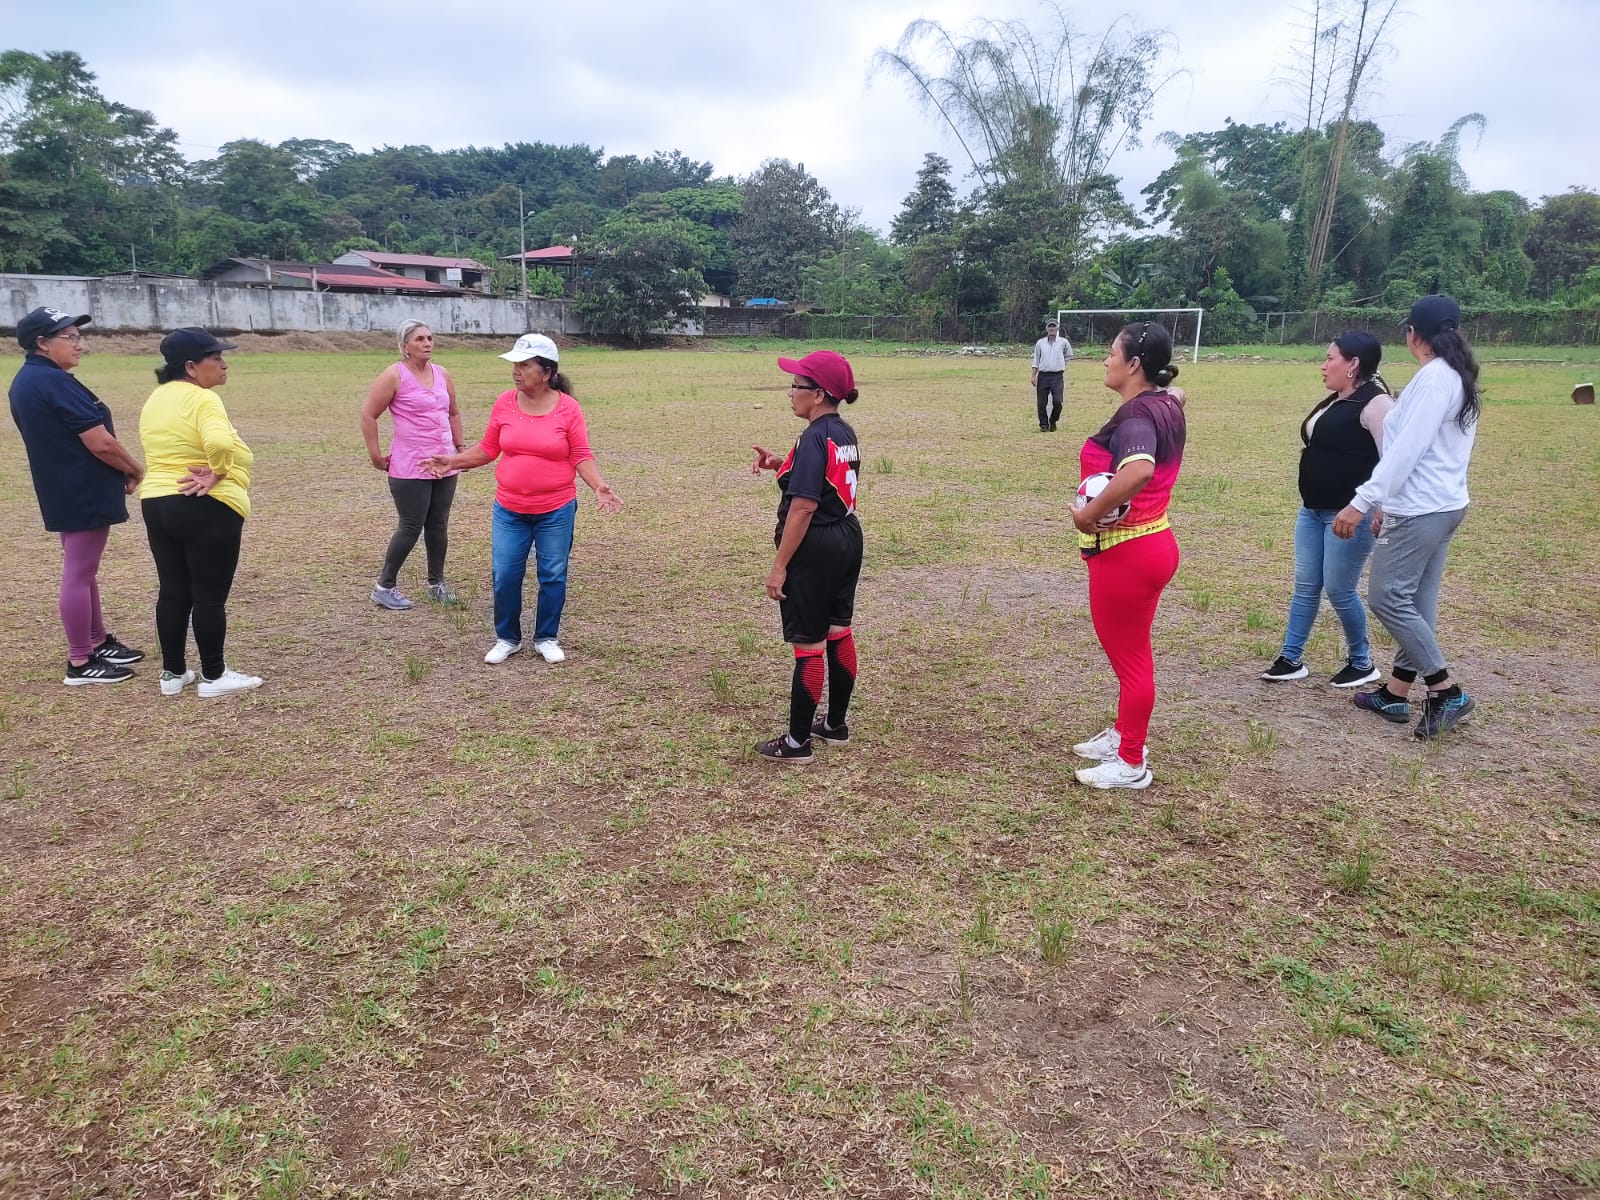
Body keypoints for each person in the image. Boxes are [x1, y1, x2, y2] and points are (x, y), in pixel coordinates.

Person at [421, 334, 621, 665]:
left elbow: (581, 454)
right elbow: (488, 449)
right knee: (505, 575)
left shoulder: (568, 408)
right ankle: (507, 638)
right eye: (515, 364)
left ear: (547, 372)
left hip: (555, 509)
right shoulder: (505, 402)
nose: (516, 371)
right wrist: (452, 461)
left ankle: (546, 637)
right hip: (509, 510)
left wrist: (598, 485)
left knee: (553, 574)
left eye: (525, 365)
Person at [1334, 295, 1480, 738]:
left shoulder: (1435, 379)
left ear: (1414, 333)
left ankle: (1445, 690)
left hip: (1423, 509)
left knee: (1387, 597)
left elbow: (1406, 450)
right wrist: (1388, 502)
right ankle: (1396, 692)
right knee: (1416, 603)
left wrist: (1363, 501)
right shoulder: (1450, 374)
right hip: (1442, 504)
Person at [1070, 322, 1187, 789]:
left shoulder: (1137, 416)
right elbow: (1178, 394)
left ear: (1134, 364)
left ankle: (1131, 762)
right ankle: (1123, 734)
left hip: (1128, 553)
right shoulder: (1164, 402)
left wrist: (1088, 514)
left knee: (1132, 660)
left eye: (1111, 352)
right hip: (1153, 543)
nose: (1105, 360)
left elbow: (1137, 470)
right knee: (1132, 653)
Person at [7, 306, 147, 685]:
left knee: (83, 571)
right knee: (79, 573)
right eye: (69, 337)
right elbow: (100, 442)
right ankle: (81, 661)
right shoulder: (52, 382)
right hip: (80, 488)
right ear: (42, 343)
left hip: (63, 486)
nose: (79, 344)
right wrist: (134, 468)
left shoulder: (29, 380)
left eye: (78, 336)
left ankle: (97, 641)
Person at [749, 350, 863, 764]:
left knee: (809, 644)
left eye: (796, 385)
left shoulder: (813, 437)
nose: (790, 392)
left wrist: (779, 566)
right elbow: (827, 479)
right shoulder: (842, 432)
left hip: (815, 547)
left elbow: (803, 507)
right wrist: (782, 465)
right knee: (838, 630)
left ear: (818, 395)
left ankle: (797, 743)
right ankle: (834, 724)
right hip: (847, 537)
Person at [1262, 332, 1394, 687]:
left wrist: (1379, 507)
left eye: (1330, 358)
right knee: (1306, 586)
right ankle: (1290, 658)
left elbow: (1392, 461)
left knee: (1339, 589)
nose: (1323, 365)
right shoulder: (1336, 400)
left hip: (1349, 515)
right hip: (1312, 511)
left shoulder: (1377, 404)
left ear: (1353, 364)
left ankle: (1362, 662)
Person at [138, 328, 262, 698]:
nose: (224, 364)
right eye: (216, 358)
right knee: (209, 595)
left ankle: (173, 673)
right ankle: (214, 675)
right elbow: (219, 443)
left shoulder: (156, 398)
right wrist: (219, 472)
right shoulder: (204, 399)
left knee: (173, 591)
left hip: (157, 502)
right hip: (204, 505)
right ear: (191, 367)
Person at [361, 320, 465, 610]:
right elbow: (368, 414)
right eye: (419, 339)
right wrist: (375, 455)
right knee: (410, 525)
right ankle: (384, 586)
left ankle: (436, 584)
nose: (427, 343)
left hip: (444, 462)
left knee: (438, 524)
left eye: (430, 338)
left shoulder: (442, 373)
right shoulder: (394, 375)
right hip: (411, 464)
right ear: (404, 345)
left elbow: (453, 413)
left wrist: (460, 450)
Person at [1031, 318, 1073, 432]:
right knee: (1041, 403)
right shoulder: (1040, 343)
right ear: (1046, 328)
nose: (1051, 328)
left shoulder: (1063, 342)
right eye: (1049, 326)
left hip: (1057, 376)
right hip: (1043, 375)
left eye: (1054, 326)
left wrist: (1061, 363)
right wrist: (1033, 376)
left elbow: (1069, 355)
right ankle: (1044, 425)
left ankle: (1053, 420)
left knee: (1058, 401)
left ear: (1057, 328)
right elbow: (1036, 360)